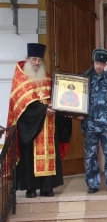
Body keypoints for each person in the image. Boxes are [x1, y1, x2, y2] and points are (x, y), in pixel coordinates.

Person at [6, 43, 70, 198]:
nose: (36, 63)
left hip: (49, 125)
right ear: (28, 59)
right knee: (30, 158)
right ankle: (31, 188)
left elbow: (58, 98)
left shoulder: (48, 78)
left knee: (50, 155)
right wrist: (42, 110)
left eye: (39, 60)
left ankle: (47, 187)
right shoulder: (21, 80)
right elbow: (20, 106)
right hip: (31, 128)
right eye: (34, 59)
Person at [80, 49, 107, 193]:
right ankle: (92, 184)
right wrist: (78, 112)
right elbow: (78, 98)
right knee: (90, 155)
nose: (98, 67)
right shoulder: (86, 77)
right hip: (90, 123)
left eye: (102, 64)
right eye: (97, 63)